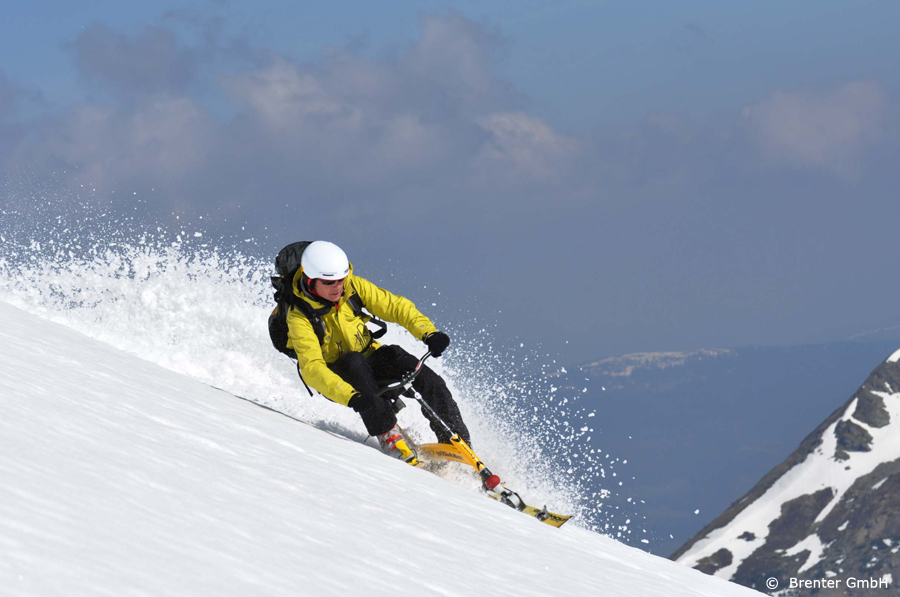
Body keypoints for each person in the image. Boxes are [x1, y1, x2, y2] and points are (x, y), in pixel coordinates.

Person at [285, 240, 470, 465]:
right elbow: (312, 368)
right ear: (310, 280)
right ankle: (388, 435)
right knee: (353, 362)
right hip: (339, 375)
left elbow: (395, 307)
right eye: (329, 282)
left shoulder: (353, 287)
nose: (338, 287)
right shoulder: (299, 316)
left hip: (369, 356)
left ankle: (460, 448)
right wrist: (351, 397)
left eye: (341, 280)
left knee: (421, 374)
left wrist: (428, 333)